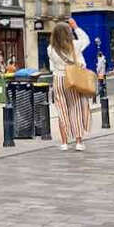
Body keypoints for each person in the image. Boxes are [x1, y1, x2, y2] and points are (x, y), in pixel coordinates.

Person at [47, 19, 92, 152]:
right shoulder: (75, 45)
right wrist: (76, 27)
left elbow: (51, 67)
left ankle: (64, 142)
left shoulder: (50, 49)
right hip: (72, 80)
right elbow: (86, 39)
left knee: (62, 111)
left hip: (58, 80)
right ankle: (78, 142)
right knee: (76, 109)